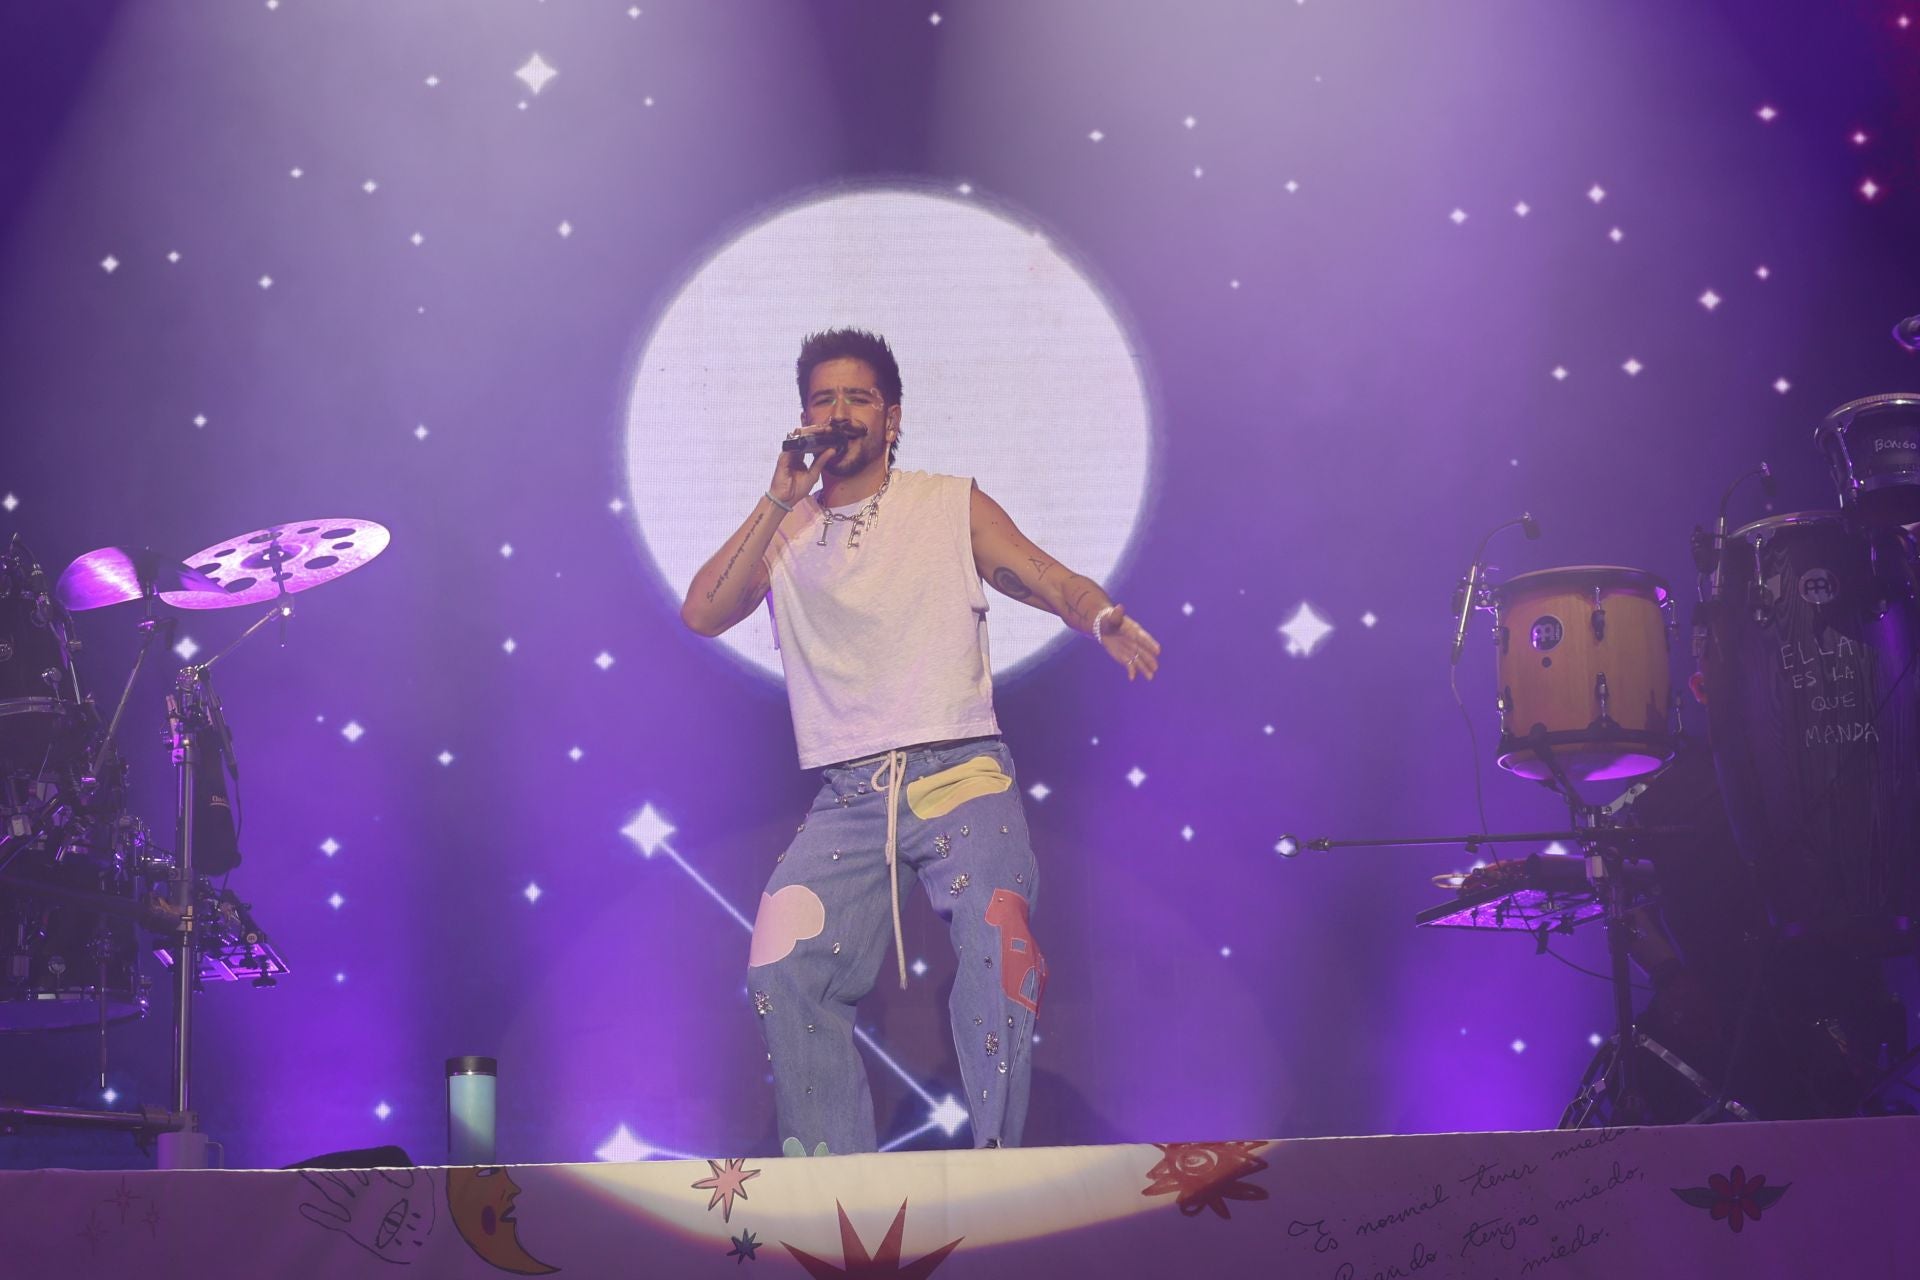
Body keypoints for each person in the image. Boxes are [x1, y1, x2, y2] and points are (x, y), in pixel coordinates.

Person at [680, 328, 1161, 1155]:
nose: (840, 413)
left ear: (893, 417)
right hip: (849, 797)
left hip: (960, 772)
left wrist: (1099, 615)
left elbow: (1040, 573)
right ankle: (836, 1182)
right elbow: (703, 613)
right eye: (823, 399)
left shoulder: (946, 503)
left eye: (858, 397)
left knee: (999, 950)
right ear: (804, 418)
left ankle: (996, 1166)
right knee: (783, 967)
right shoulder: (785, 532)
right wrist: (774, 499)